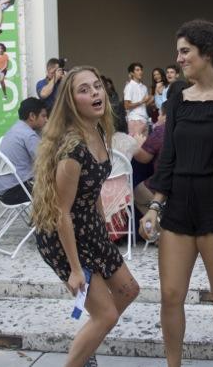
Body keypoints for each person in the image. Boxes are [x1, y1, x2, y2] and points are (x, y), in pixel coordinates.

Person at [139, 20, 213, 367]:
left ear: (207, 53)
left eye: (185, 51)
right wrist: (155, 205)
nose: (178, 58)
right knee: (170, 295)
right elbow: (168, 156)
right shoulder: (178, 95)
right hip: (179, 205)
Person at [31, 66, 139, 367]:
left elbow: (93, 191)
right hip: (63, 235)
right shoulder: (73, 149)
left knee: (129, 290)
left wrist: (104, 227)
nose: (94, 93)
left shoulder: (99, 131)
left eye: (97, 86)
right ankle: (77, 360)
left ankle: (88, 339)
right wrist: (75, 270)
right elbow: (61, 212)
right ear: (71, 102)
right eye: (84, 89)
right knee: (105, 315)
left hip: (89, 228)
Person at [0, 97, 47, 205]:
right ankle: (49, 221)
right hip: (15, 191)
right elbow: (45, 162)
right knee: (59, 189)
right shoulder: (29, 135)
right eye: (43, 116)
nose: (46, 120)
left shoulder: (16, 128)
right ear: (32, 116)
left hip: (1, 190)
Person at [132, 103, 167, 220]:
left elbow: (143, 158)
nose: (158, 117)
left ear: (166, 115)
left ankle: (157, 230)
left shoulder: (161, 130)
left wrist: (137, 144)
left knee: (137, 192)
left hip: (163, 184)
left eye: (160, 114)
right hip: (185, 184)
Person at [123, 62, 152, 136]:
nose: (140, 72)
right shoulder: (129, 86)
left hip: (145, 119)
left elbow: (145, 104)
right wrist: (142, 101)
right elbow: (126, 105)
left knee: (144, 146)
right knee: (136, 146)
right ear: (132, 73)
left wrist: (152, 99)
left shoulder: (144, 87)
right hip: (134, 119)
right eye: (137, 70)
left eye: (141, 70)